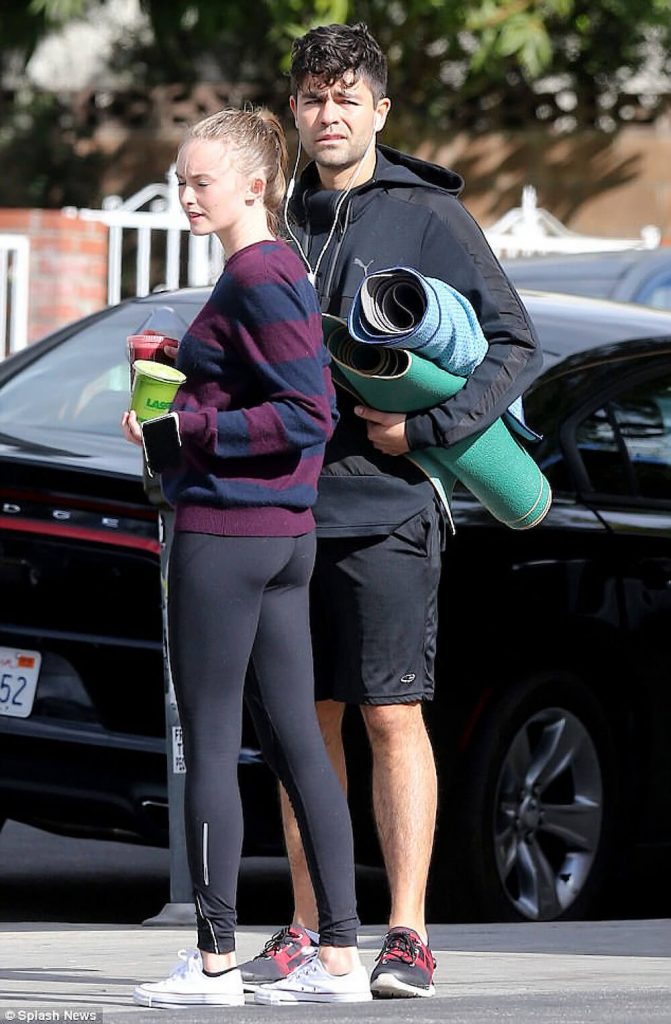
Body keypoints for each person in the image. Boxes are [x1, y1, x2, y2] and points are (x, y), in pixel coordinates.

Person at [239, 24, 543, 1000]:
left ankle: (405, 933)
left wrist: (429, 429)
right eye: (313, 98)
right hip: (284, 508)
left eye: (345, 98)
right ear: (295, 109)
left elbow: (512, 342)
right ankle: (310, 928)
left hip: (387, 510)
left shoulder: (426, 215)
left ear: (377, 110)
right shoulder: (275, 213)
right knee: (301, 723)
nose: (328, 114)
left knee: (388, 713)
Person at [122, 106, 371, 1007]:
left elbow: (308, 412)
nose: (186, 195)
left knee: (215, 743)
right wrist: (182, 382)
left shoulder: (257, 272)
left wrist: (185, 424)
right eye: (181, 180)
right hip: (282, 537)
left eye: (201, 181)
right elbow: (276, 388)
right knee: (299, 743)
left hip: (229, 540)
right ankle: (339, 955)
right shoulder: (280, 270)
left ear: (255, 185)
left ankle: (216, 961)